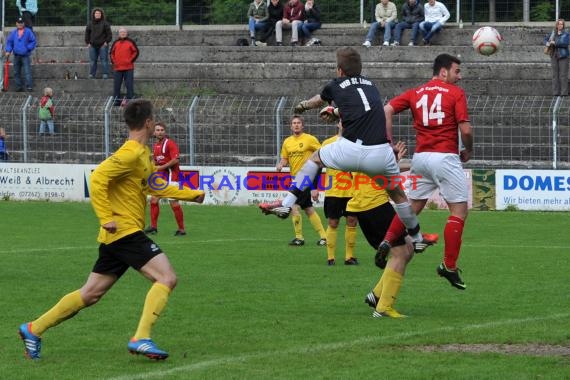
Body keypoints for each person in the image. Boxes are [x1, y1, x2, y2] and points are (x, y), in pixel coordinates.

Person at [17, 100, 206, 361]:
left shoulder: (142, 154)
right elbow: (97, 178)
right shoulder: (129, 153)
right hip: (124, 231)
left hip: (117, 236)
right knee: (166, 278)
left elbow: (153, 185)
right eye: (155, 120)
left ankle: (33, 329)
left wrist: (191, 194)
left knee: (90, 293)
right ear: (149, 123)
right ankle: (141, 337)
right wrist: (106, 217)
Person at [259, 47, 433, 254]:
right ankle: (417, 236)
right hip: (380, 154)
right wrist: (337, 112)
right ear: (360, 69)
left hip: (351, 149)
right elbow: (362, 108)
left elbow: (318, 101)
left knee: (315, 160)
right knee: (398, 196)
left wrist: (303, 106)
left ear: (340, 70)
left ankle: (287, 202)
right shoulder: (371, 86)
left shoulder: (336, 84)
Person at [381, 53, 473, 290]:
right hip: (445, 157)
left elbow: (386, 110)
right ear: (444, 72)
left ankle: (388, 239)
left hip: (420, 158)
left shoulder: (416, 92)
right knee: (459, 211)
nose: (459, 77)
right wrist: (469, 150)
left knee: (412, 205)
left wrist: (389, 143)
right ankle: (449, 266)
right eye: (456, 71)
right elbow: (466, 129)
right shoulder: (455, 94)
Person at [272, 114, 327, 247]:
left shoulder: (309, 139)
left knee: (294, 206)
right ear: (291, 126)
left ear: (302, 125)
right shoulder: (287, 142)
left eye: (298, 123)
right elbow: (285, 157)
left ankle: (299, 237)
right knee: (308, 208)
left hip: (306, 178)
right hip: (295, 179)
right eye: (294, 123)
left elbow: (321, 153)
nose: (296, 125)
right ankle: (324, 237)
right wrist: (281, 164)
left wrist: (314, 186)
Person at [322, 124, 358, 265]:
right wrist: (312, 186)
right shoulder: (328, 143)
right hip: (334, 191)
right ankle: (331, 257)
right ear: (338, 124)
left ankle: (349, 257)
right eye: (343, 121)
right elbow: (318, 162)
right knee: (333, 222)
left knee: (352, 221)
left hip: (353, 190)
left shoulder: (357, 143)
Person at [144, 122, 187, 236]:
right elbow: (156, 162)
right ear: (154, 132)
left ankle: (181, 229)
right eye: (157, 130)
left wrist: (161, 167)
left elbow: (175, 160)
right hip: (162, 176)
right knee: (153, 200)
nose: (160, 132)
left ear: (165, 132)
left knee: (173, 202)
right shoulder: (156, 145)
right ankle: (153, 227)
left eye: (162, 130)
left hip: (173, 175)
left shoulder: (170, 143)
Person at [5, 17, 36, 92]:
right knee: (16, 72)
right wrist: (8, 50)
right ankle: (19, 86)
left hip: (25, 55)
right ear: (16, 23)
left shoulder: (28, 31)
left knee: (27, 71)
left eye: (21, 23)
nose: (20, 24)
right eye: (19, 23)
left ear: (24, 23)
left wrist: (27, 48)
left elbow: (33, 41)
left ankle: (29, 86)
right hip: (16, 55)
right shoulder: (13, 32)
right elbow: (9, 42)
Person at [110, 27, 139, 106]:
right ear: (119, 34)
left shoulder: (130, 42)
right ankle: (116, 101)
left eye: (124, 32)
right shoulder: (115, 42)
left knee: (129, 85)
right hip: (117, 68)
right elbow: (111, 53)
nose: (123, 33)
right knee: (117, 85)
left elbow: (136, 52)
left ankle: (130, 100)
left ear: (126, 33)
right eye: (121, 32)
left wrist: (130, 60)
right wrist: (114, 62)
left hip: (128, 68)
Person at [85, 7, 112, 79]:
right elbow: (87, 34)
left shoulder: (105, 23)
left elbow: (109, 34)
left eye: (99, 13)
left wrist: (106, 42)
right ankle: (92, 74)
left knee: (104, 60)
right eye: (96, 13)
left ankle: (105, 74)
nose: (97, 14)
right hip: (92, 45)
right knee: (93, 61)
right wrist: (88, 43)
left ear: (101, 14)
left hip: (103, 45)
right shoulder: (90, 23)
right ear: (93, 14)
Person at [545, 19, 570, 96]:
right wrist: (547, 42)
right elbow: (545, 39)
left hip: (563, 56)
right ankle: (555, 93)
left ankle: (564, 93)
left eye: (561, 24)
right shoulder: (553, 33)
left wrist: (555, 43)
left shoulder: (566, 34)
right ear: (557, 25)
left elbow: (565, 44)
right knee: (555, 75)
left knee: (563, 75)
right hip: (553, 55)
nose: (560, 25)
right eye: (559, 24)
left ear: (563, 25)